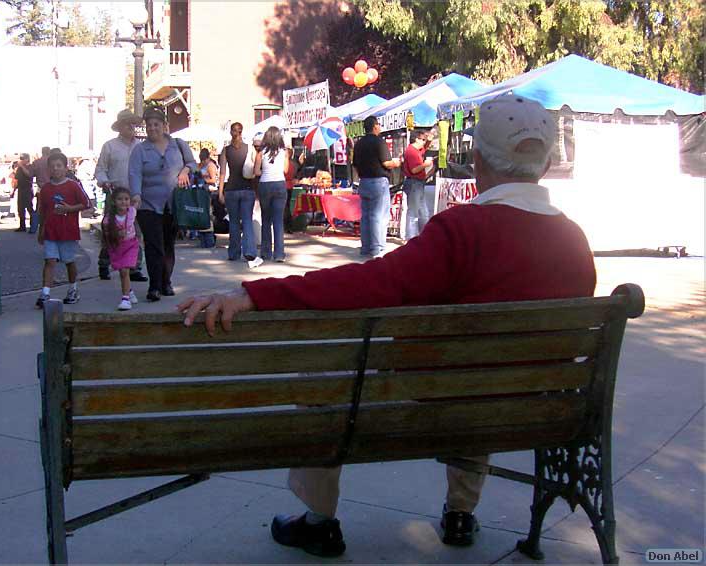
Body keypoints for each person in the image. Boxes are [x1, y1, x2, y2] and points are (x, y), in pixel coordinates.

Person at [177, 94, 597, 557]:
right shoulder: (575, 241)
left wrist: (255, 293)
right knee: (485, 375)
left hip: (434, 398)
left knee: (323, 376)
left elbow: (372, 282)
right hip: (529, 407)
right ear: (546, 162)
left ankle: (319, 519)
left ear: (477, 159)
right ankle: (461, 512)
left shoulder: (462, 230)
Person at [128, 107, 196, 302]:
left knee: (168, 245)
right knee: (154, 245)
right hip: (148, 204)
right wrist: (136, 194)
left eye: (156, 124)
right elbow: (135, 173)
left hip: (174, 204)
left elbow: (192, 163)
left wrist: (185, 171)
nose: (152, 128)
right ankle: (154, 286)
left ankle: (166, 282)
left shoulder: (178, 145)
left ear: (164, 126)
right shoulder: (140, 150)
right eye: (149, 125)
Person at [94, 109, 147, 282]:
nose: (131, 126)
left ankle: (134, 267)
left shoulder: (140, 146)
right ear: (120, 127)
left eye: (133, 123)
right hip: (115, 193)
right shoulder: (109, 146)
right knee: (111, 231)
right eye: (127, 123)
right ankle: (104, 262)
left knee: (135, 232)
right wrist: (104, 181)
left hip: (135, 195)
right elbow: (100, 169)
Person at [35, 152, 91, 309]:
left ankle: (73, 288)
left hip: (68, 230)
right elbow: (42, 211)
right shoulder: (45, 189)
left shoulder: (73, 186)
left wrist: (70, 208)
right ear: (48, 170)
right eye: (52, 167)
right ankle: (45, 292)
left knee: (69, 261)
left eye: (59, 166)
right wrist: (41, 230)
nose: (56, 169)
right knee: (49, 260)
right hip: (51, 231)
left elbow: (86, 203)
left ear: (66, 168)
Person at [352, 116, 401, 258]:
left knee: (366, 216)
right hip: (378, 181)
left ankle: (366, 247)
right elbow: (387, 163)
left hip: (364, 181)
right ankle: (376, 247)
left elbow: (355, 164)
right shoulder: (379, 142)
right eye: (379, 125)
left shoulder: (359, 143)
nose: (380, 127)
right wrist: (397, 162)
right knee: (378, 216)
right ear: (374, 126)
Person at [218, 122, 263, 268]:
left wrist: (220, 192)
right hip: (247, 189)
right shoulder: (250, 149)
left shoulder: (226, 151)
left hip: (231, 189)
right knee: (247, 221)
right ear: (241, 132)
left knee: (234, 222)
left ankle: (234, 253)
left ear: (231, 132)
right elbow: (257, 167)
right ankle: (249, 251)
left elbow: (223, 172)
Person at [253, 126, 289, 262]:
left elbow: (256, 172)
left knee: (266, 219)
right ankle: (279, 254)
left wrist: (265, 173)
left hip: (265, 185)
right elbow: (285, 170)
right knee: (278, 220)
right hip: (280, 184)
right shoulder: (283, 152)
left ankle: (266, 252)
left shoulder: (261, 153)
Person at [101, 187, 140, 311]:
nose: (123, 202)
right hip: (116, 247)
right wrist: (116, 234)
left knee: (124, 271)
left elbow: (136, 203)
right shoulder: (108, 219)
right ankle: (129, 291)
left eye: (126, 199)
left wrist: (136, 195)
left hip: (130, 245)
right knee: (122, 272)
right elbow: (107, 235)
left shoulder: (132, 212)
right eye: (120, 199)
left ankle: (125, 299)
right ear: (113, 201)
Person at [402, 130, 435, 239]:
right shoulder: (411, 151)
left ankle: (425, 236)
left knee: (423, 211)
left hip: (418, 183)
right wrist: (425, 164)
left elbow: (424, 148)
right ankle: (411, 237)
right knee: (413, 212)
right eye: (423, 140)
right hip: (414, 183)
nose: (424, 142)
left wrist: (429, 140)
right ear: (416, 139)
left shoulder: (416, 150)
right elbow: (414, 169)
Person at [196, 147, 219, 248]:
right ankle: (203, 240)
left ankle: (209, 240)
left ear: (208, 158)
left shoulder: (211, 166)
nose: (203, 161)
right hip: (201, 192)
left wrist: (204, 180)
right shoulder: (202, 165)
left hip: (208, 192)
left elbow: (213, 180)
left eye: (204, 159)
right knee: (201, 214)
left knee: (207, 214)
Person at [12, 153, 35, 232]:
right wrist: (13, 190)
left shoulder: (30, 167)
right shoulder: (19, 169)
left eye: (23, 159)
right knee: (20, 209)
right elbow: (17, 180)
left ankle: (33, 225)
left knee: (29, 208)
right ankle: (22, 226)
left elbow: (29, 175)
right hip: (21, 189)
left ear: (27, 159)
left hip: (28, 189)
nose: (21, 160)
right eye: (21, 159)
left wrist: (22, 166)